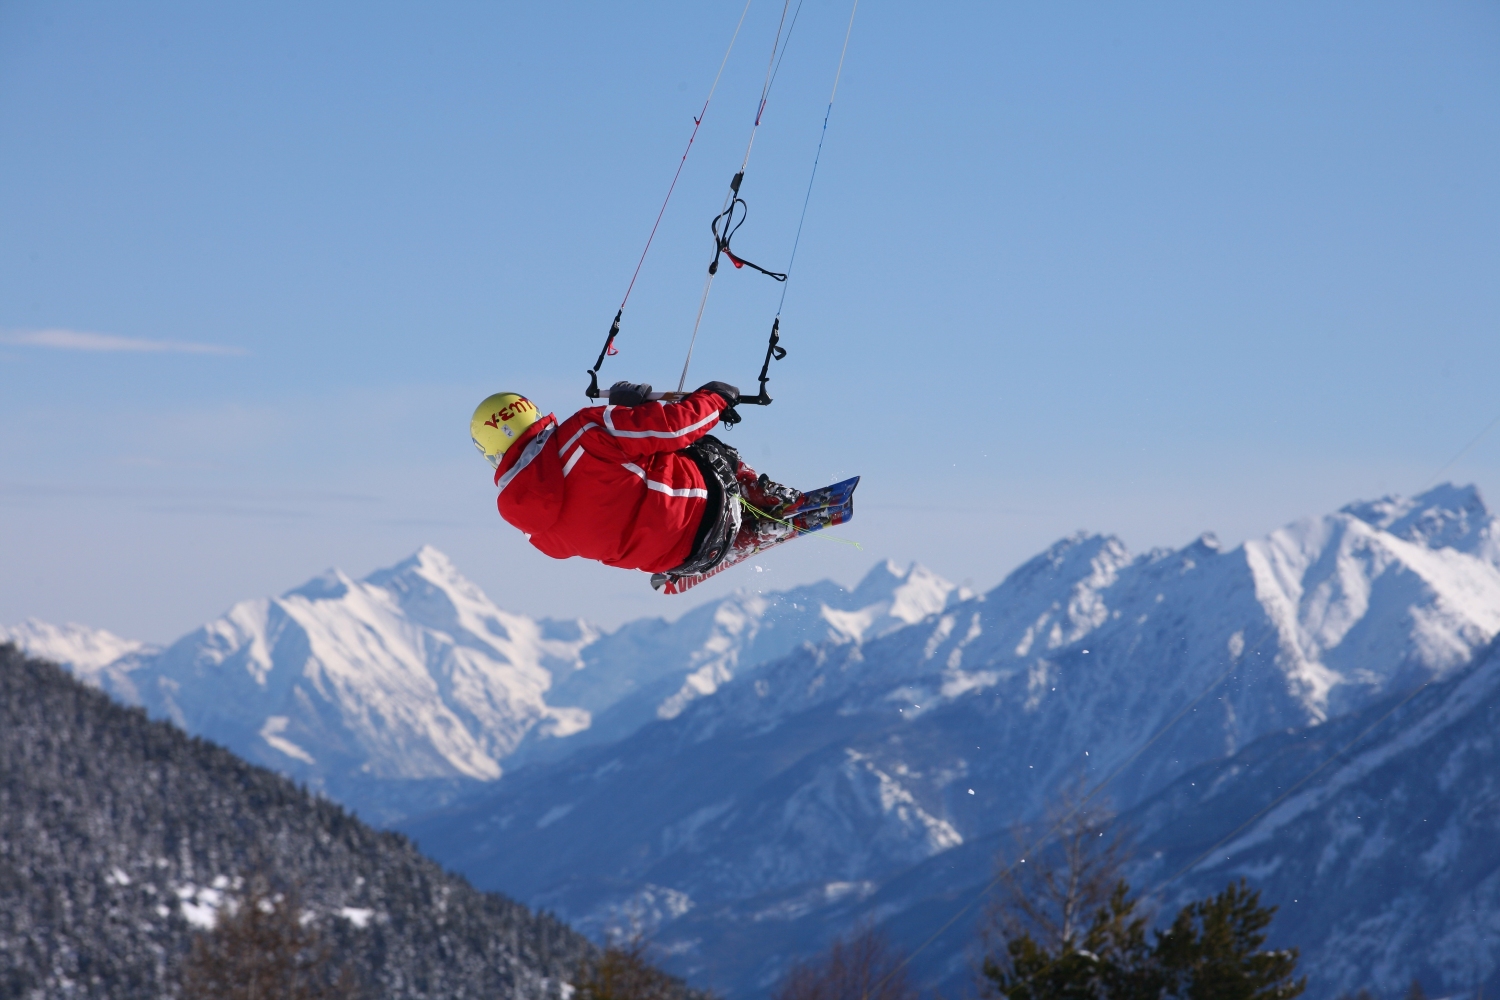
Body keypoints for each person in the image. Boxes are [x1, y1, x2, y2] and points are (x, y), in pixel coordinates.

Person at [469, 380, 802, 584]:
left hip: (686, 560)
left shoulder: (530, 527)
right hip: (712, 499)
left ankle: (747, 534)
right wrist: (714, 399)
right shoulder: (584, 431)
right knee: (702, 447)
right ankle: (761, 494)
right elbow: (674, 428)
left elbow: (597, 505)